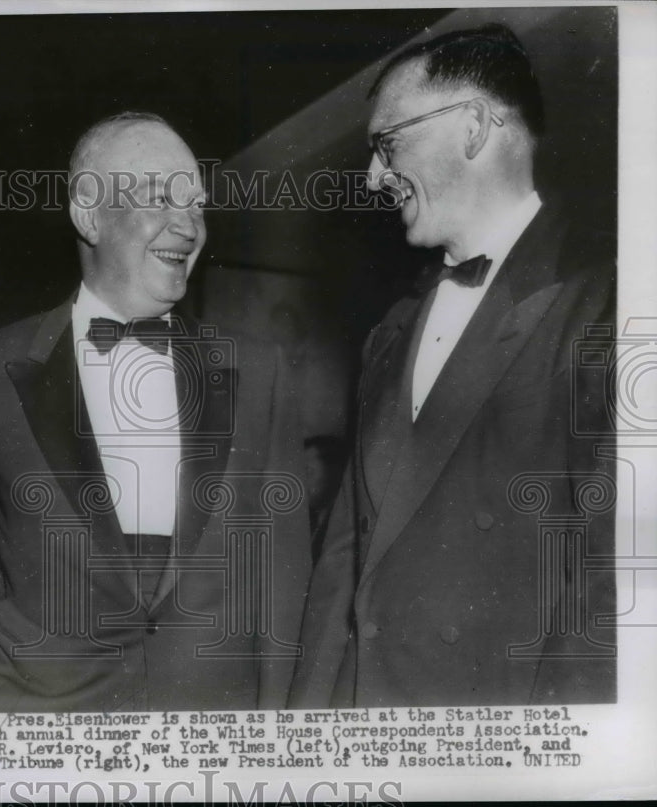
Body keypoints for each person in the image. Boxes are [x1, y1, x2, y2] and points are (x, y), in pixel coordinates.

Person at [0, 111, 310, 711]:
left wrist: (283, 733)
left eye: (197, 204)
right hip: (40, 739)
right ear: (89, 213)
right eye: (160, 196)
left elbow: (285, 576)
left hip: (211, 747)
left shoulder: (262, 373)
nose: (188, 225)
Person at [290, 24, 616, 707]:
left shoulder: (609, 302)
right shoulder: (389, 332)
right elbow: (342, 564)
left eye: (388, 144)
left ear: (471, 126)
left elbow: (608, 594)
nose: (373, 176)